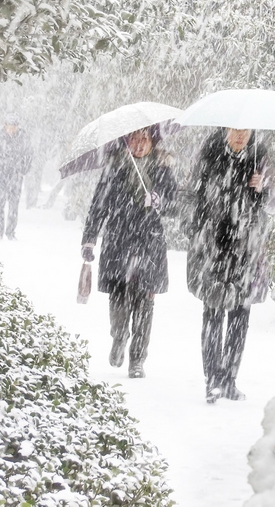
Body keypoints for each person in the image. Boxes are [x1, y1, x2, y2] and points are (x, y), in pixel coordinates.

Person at [80, 125, 178, 379]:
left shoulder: (163, 169)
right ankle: (119, 336)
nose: (139, 144)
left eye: (144, 139)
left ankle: (137, 360)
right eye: (134, 138)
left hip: (150, 244)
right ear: (127, 141)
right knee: (118, 301)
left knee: (146, 305)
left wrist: (159, 201)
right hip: (118, 242)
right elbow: (98, 205)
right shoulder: (114, 167)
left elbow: (175, 205)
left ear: (152, 142)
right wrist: (89, 240)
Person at [186, 127, 272, 403]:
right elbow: (193, 197)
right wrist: (198, 232)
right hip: (214, 249)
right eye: (235, 130)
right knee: (213, 314)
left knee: (239, 317)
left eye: (245, 131)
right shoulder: (209, 156)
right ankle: (211, 379)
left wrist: (261, 189)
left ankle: (229, 379)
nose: (239, 136)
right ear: (225, 131)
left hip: (245, 250)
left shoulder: (259, 157)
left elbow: (268, 205)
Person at [0, 113, 33, 240]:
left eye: (14, 126)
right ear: (5, 125)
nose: (12, 129)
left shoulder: (23, 137)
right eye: (9, 126)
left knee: (13, 205)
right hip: (0, 175)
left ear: (17, 126)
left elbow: (28, 154)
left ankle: (10, 232)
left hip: (16, 176)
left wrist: (23, 170)